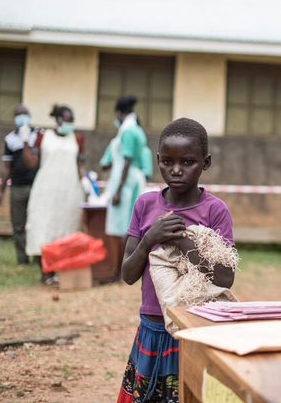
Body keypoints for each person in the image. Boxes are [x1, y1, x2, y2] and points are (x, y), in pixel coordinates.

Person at [118, 118, 234, 403]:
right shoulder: (145, 205)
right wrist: (149, 239)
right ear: (157, 160)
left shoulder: (215, 211)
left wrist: (181, 240)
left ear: (205, 163)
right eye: (167, 162)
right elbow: (128, 274)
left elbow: (224, 278)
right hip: (153, 326)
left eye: (188, 162)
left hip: (195, 326)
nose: (176, 170)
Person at [23, 105, 86, 284]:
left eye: (73, 120)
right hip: (46, 192)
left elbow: (80, 165)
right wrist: (25, 143)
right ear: (58, 120)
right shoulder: (43, 137)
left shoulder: (77, 139)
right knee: (45, 229)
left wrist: (86, 181)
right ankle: (46, 273)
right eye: (68, 119)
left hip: (70, 192)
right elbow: (31, 163)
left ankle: (64, 272)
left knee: (67, 229)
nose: (71, 123)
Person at [100, 95, 152, 279]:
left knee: (123, 227)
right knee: (127, 225)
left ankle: (119, 271)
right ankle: (122, 269)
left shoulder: (128, 131)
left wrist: (119, 189)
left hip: (127, 181)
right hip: (130, 179)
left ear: (119, 113)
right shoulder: (135, 129)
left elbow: (127, 160)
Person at [0, 105, 41, 265]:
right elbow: (6, 167)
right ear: (14, 118)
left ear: (30, 116)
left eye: (24, 114)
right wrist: (1, 191)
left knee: (37, 224)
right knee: (18, 226)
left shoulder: (39, 135)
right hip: (17, 188)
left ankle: (38, 259)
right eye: (18, 115)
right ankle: (22, 260)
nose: (22, 117)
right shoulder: (10, 139)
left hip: (38, 188)